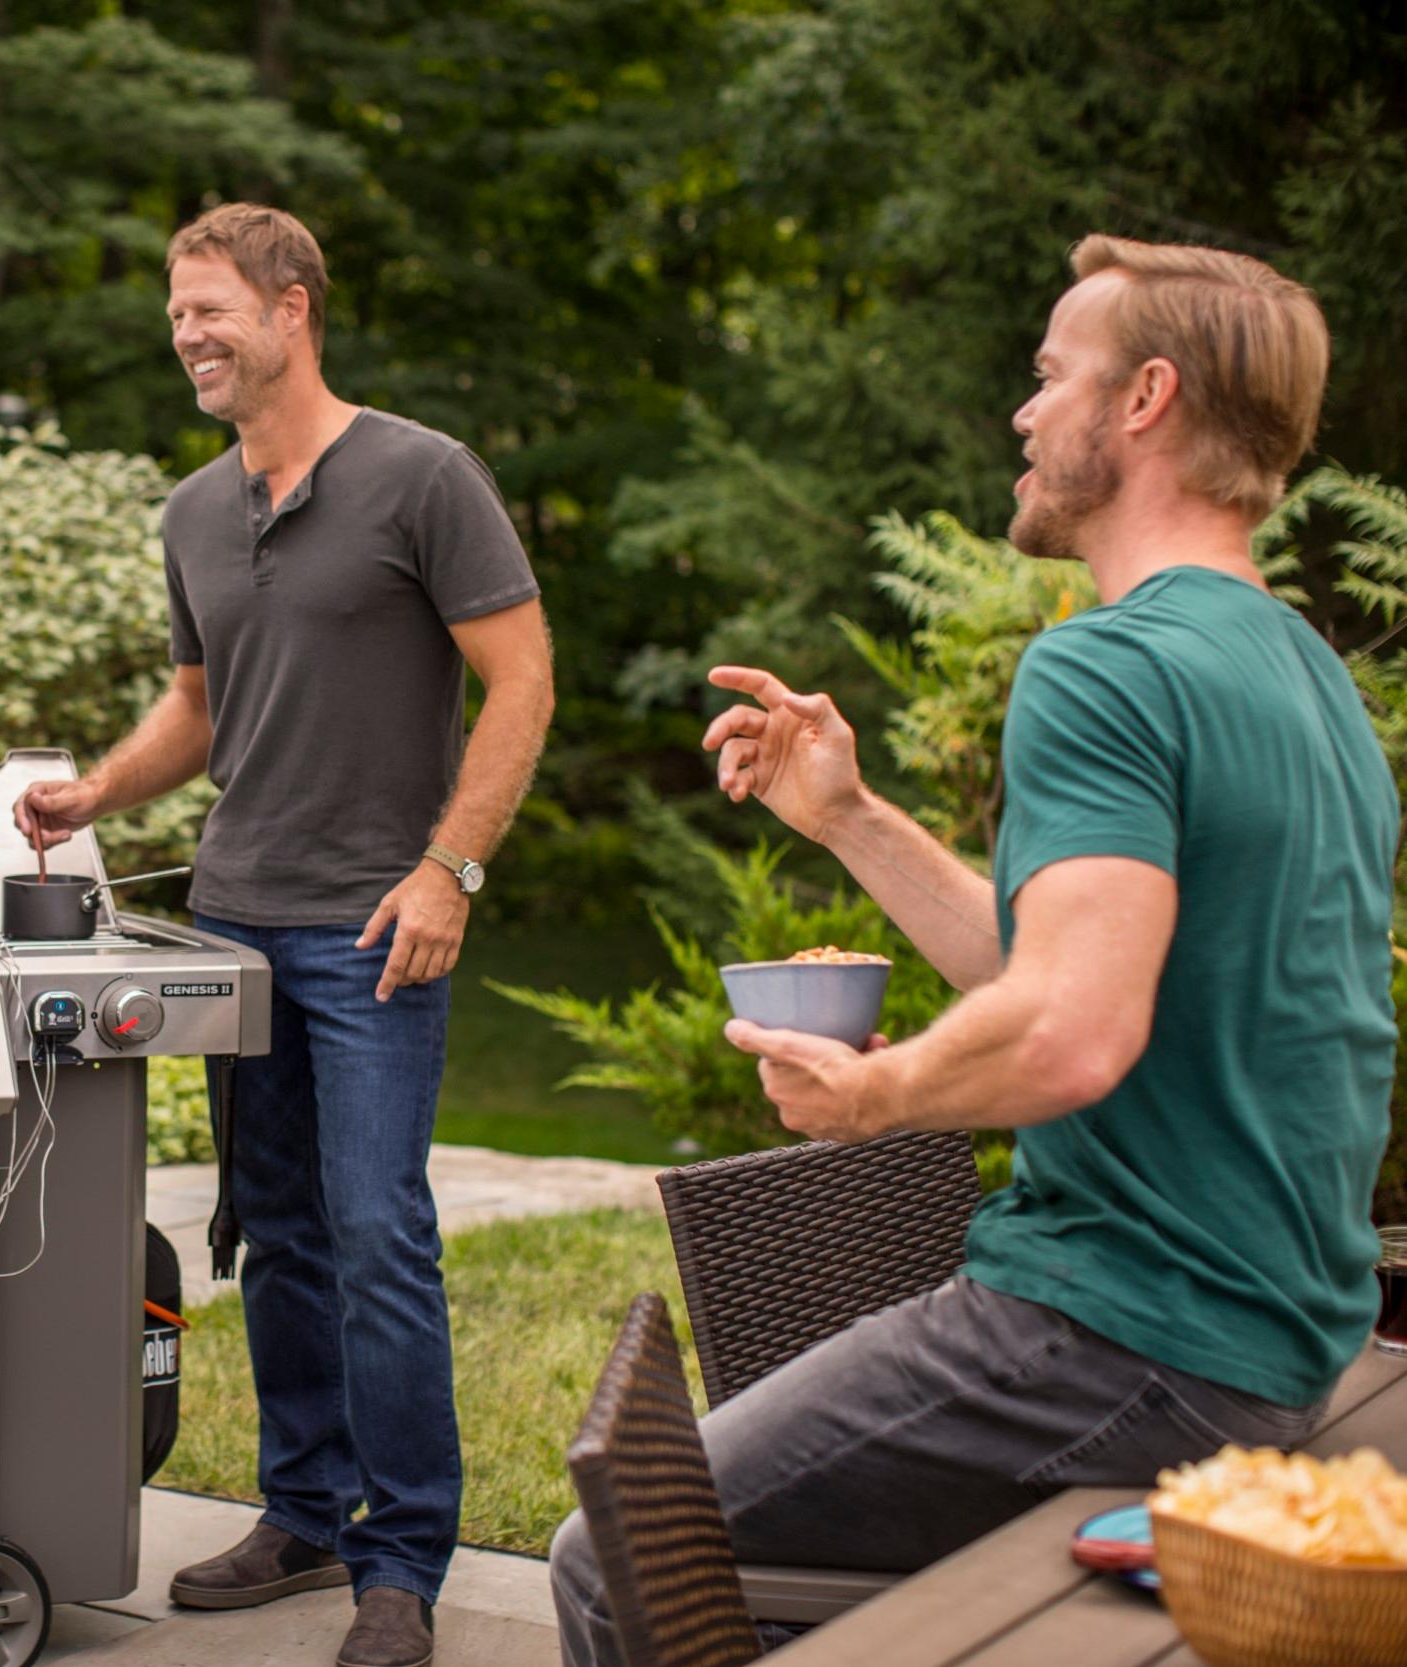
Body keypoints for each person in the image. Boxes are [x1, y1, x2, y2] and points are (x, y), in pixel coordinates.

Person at [550, 236, 1398, 1664]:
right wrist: (849, 816)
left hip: (1124, 1338)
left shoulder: (1108, 665)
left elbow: (1070, 1030)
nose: (1024, 411)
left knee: (615, 1553)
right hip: (1281, 1335)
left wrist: (872, 1096)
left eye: (1051, 375)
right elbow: (1066, 966)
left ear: (1144, 399)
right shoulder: (1300, 668)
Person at [15, 204, 555, 1667]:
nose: (186, 334)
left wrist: (451, 869)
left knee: (379, 1235)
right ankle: (305, 1512)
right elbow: (199, 709)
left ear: (292, 309)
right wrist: (97, 792)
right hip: (238, 922)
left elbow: (522, 682)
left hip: (376, 926)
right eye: (175, 313)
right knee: (277, 1238)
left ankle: (405, 1556)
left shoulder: (423, 477)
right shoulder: (195, 511)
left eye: (210, 309)